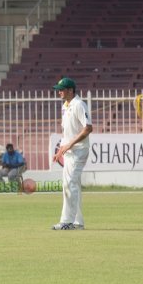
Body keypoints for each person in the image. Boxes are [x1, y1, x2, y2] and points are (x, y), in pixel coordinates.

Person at [51, 77, 93, 230]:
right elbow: (66, 132)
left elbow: (88, 128)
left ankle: (67, 221)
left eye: (61, 89)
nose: (59, 92)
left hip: (79, 150)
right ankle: (78, 221)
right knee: (72, 184)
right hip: (69, 151)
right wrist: (61, 149)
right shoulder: (65, 106)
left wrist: (70, 144)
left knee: (69, 184)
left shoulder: (79, 105)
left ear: (70, 90)